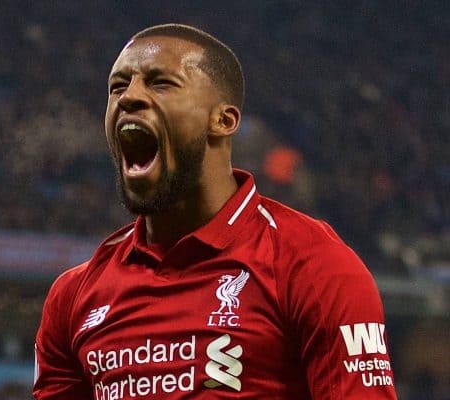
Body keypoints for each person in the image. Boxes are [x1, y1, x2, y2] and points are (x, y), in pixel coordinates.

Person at [34, 23, 398, 399]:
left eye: (160, 83)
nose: (129, 97)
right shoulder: (74, 296)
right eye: (117, 86)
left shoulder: (313, 264)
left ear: (223, 121)